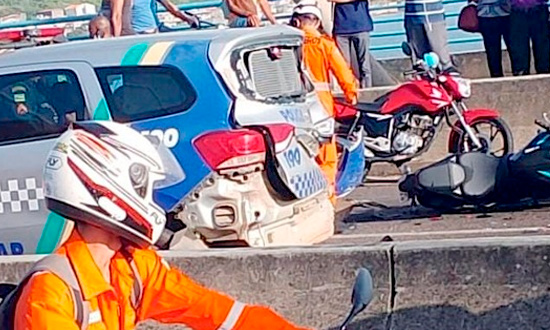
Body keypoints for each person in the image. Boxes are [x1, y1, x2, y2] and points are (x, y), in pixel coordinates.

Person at [14, 121, 312, 330]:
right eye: (146, 186)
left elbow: (216, 313)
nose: (153, 200)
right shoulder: (50, 292)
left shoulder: (132, 268)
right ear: (106, 186)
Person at [290, 0, 358, 205]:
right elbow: (344, 74)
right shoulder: (324, 45)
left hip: (293, 108)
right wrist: (351, 94)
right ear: (317, 22)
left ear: (297, 22)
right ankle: (327, 201)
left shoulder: (287, 45)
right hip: (322, 107)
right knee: (327, 157)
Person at [329, 0, 374, 88]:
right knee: (343, 66)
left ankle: (367, 91)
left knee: (364, 66)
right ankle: (348, 90)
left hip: (361, 26)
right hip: (340, 28)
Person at [404, 0, 457, 72]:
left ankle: (447, 76)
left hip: (434, 16)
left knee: (441, 57)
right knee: (420, 61)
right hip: (412, 16)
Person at [508, 0, 550, 75]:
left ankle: (545, 71)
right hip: (518, 11)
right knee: (519, 47)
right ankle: (521, 73)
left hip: (539, 9)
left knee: (542, 45)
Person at [472, 0, 512, 77]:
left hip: (502, 13)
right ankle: (497, 76)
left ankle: (517, 72)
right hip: (489, 15)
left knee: (514, 47)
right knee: (493, 51)